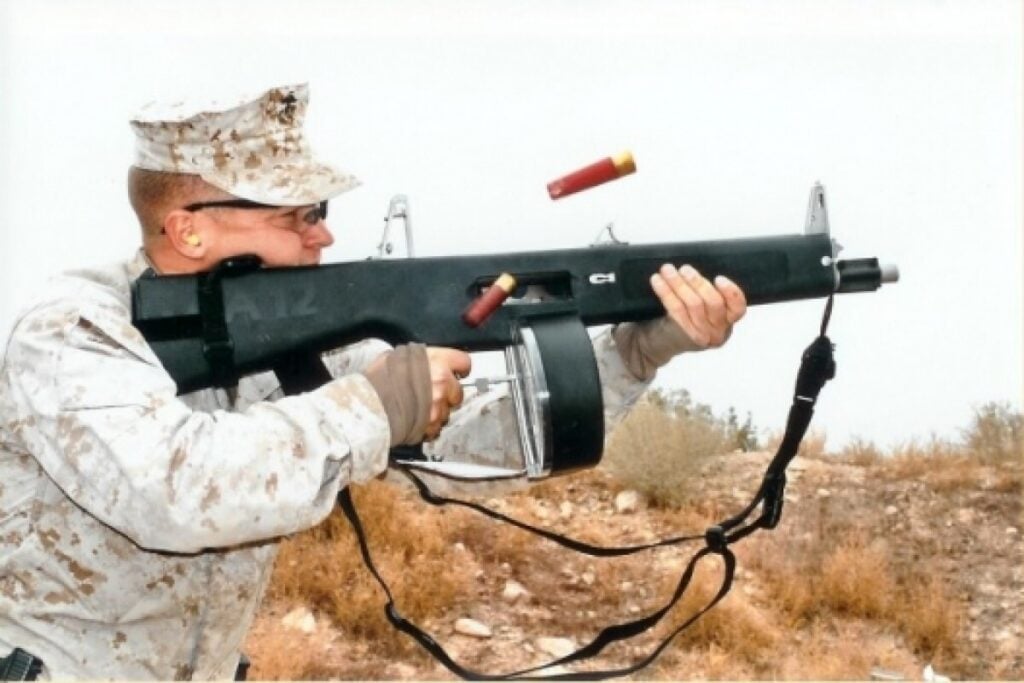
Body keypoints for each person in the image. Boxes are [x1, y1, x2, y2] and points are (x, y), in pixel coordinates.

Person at [0, 83, 746, 680]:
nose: (324, 234)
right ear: (192, 228)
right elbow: (172, 487)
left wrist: (635, 354)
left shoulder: (291, 351)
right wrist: (374, 405)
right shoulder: (70, 331)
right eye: (301, 214)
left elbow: (474, 452)